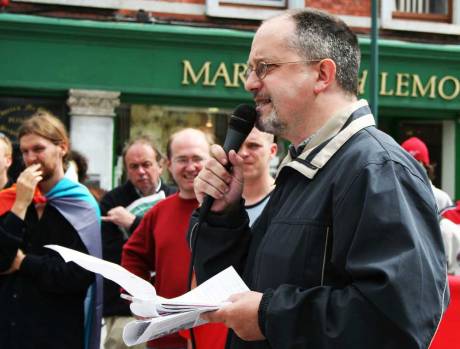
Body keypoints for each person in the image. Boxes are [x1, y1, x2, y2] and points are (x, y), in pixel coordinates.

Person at [191, 8, 448, 349]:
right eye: (250, 70)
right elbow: (243, 290)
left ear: (323, 74)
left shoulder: (376, 168)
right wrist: (223, 217)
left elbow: (398, 323)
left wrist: (269, 315)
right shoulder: (306, 167)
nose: (249, 83)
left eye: (264, 67)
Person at [0, 111, 102, 349]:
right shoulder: (13, 199)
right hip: (11, 331)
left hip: (57, 333)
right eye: (24, 152)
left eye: (38, 149)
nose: (30, 158)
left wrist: (24, 263)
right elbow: (2, 258)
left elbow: (79, 274)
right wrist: (21, 205)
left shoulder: (80, 203)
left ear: (62, 148)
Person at [121, 128, 210, 349]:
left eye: (198, 158)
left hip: (216, 334)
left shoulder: (232, 209)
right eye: (182, 159)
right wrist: (139, 299)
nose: (191, 167)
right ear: (169, 164)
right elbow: (133, 256)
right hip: (166, 336)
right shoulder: (158, 212)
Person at [100, 135, 176, 349]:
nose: (141, 172)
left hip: (168, 305)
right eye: (133, 167)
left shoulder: (176, 195)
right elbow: (112, 254)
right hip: (125, 308)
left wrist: (133, 223)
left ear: (161, 165)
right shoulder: (112, 200)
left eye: (146, 164)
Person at [401, 136, 453, 212]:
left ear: (426, 166)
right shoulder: (394, 197)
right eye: (407, 163)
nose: (411, 168)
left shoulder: (441, 199)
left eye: (417, 162)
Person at [240, 127, 277, 227]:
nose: (243, 153)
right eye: (237, 145)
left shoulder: (284, 200)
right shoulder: (220, 200)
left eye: (253, 145)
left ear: (272, 151)